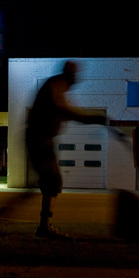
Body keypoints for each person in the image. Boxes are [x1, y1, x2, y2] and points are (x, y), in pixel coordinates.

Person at [26, 60, 108, 240]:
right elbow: (66, 111)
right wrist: (93, 119)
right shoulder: (56, 85)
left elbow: (67, 112)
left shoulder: (60, 87)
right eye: (75, 75)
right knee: (51, 182)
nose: (76, 80)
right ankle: (43, 228)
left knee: (51, 183)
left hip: (44, 141)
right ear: (69, 74)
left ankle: (43, 226)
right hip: (39, 140)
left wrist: (89, 118)